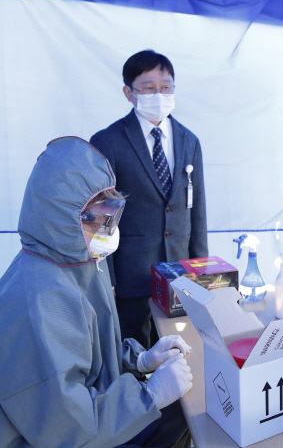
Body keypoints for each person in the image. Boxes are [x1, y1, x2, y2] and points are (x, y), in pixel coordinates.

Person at [0, 137, 194, 448]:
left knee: (187, 407)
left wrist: (140, 359)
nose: (108, 229)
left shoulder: (75, 259)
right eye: (99, 218)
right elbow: (65, 424)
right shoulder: (39, 299)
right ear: (61, 218)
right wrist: (149, 395)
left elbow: (89, 352)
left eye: (113, 215)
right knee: (184, 411)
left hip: (93, 418)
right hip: (61, 435)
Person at [91, 50, 208, 350]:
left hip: (180, 274)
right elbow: (100, 219)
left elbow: (198, 211)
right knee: (135, 355)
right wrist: (108, 280)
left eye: (166, 86)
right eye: (148, 87)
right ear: (129, 93)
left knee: (181, 351)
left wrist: (203, 270)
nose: (159, 94)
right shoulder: (108, 141)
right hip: (132, 277)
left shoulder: (188, 140)